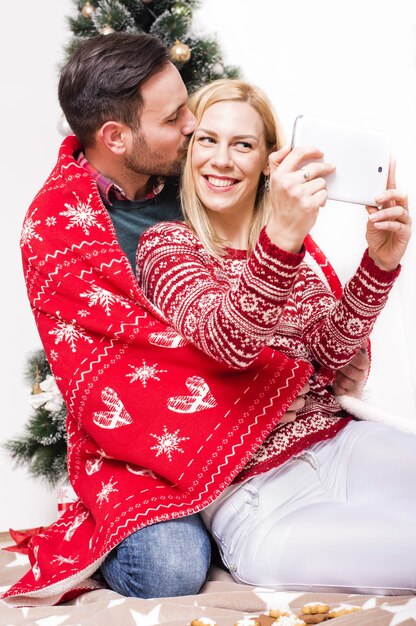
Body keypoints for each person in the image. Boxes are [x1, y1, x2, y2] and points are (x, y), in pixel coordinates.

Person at [4, 33, 367, 607]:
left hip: (255, 423)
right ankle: (153, 525)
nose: (195, 125)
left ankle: (230, 508)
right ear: (118, 137)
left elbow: (271, 287)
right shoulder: (58, 231)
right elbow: (106, 377)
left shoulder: (196, 173)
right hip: (137, 444)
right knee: (170, 569)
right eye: (175, 118)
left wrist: (342, 343)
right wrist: (260, 394)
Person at [136, 79, 415, 594]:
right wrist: (281, 239)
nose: (221, 160)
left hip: (342, 445)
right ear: (188, 149)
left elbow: (329, 359)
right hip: (256, 496)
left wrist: (379, 264)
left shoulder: (301, 251)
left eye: (242, 144)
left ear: (269, 160)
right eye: (207, 140)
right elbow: (228, 342)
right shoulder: (168, 247)